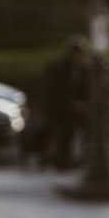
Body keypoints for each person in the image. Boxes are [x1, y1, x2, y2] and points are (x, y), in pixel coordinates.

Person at [42, 37, 89, 169]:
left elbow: (87, 90)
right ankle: (62, 159)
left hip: (78, 111)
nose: (78, 57)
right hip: (60, 111)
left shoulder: (85, 70)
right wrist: (71, 104)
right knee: (65, 130)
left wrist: (83, 104)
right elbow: (54, 93)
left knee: (90, 126)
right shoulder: (58, 69)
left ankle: (83, 156)